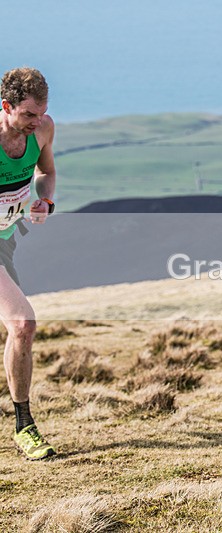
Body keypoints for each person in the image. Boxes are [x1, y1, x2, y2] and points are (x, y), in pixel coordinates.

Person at [0, 67, 58, 460]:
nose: (37, 121)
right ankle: (25, 427)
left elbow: (46, 172)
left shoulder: (43, 130)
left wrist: (44, 200)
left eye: (42, 112)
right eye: (28, 114)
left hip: (5, 242)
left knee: (15, 328)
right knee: (23, 324)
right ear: (6, 106)